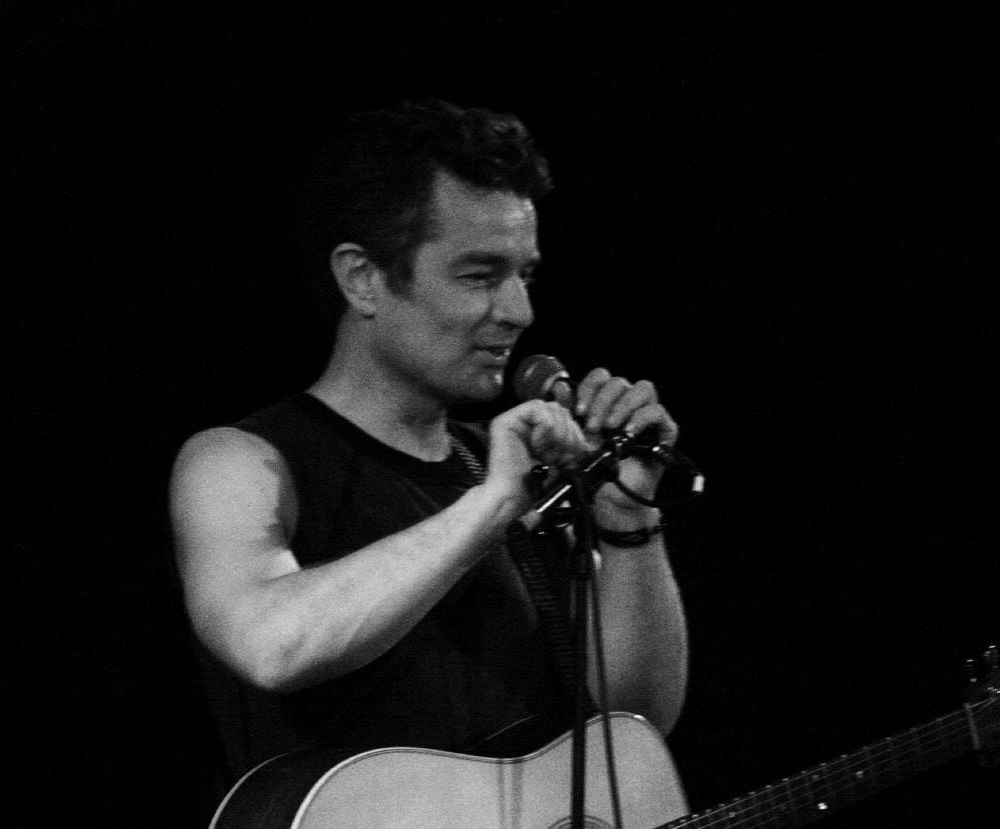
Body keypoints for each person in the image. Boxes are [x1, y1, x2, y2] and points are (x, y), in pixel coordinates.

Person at [169, 99, 689, 788]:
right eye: (479, 276)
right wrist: (490, 508)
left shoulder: (513, 468)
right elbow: (272, 645)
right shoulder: (238, 461)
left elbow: (635, 721)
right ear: (362, 278)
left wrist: (626, 520)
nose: (520, 311)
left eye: (525, 275)